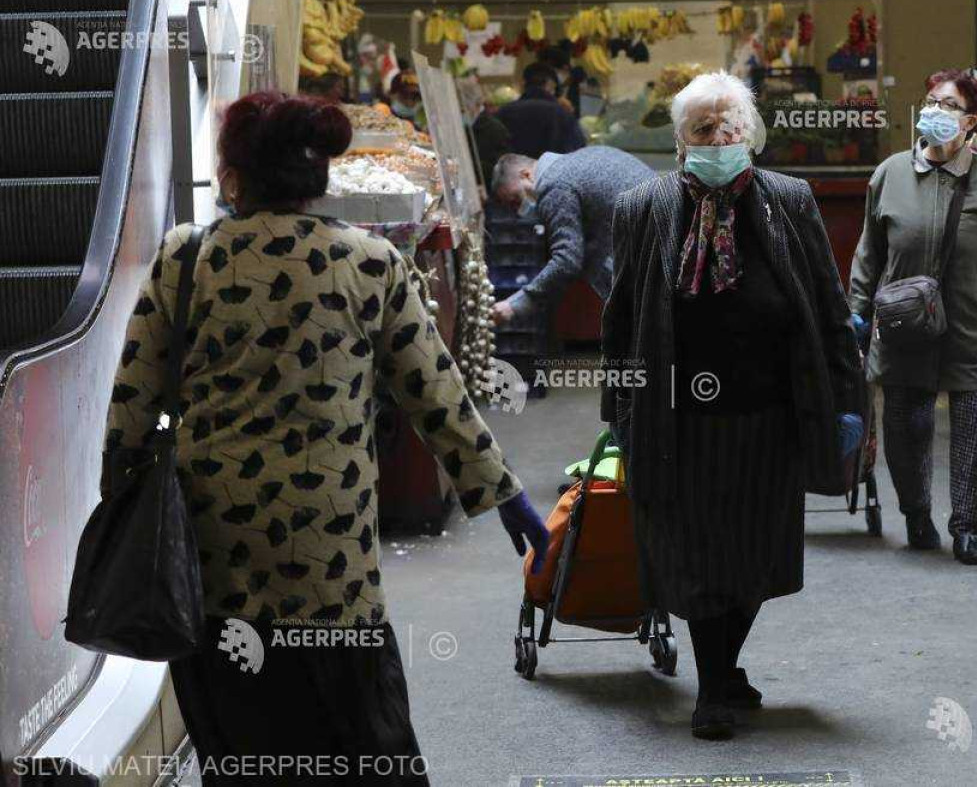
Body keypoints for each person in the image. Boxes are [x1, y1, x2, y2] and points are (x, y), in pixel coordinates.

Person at [101, 92, 549, 785]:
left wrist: (120, 506)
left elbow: (131, 402)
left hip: (212, 560)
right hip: (330, 570)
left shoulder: (187, 259)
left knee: (243, 747)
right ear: (317, 177)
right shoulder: (368, 262)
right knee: (364, 743)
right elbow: (437, 393)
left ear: (234, 174)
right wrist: (503, 492)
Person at [601, 71, 865, 741]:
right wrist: (619, 412)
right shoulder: (643, 207)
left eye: (729, 128)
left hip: (770, 414)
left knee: (756, 553)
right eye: (702, 130)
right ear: (682, 141)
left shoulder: (791, 200)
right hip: (676, 420)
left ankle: (722, 667)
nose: (718, 139)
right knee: (691, 555)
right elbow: (621, 317)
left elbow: (828, 308)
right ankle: (714, 687)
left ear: (751, 135)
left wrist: (845, 399)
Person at [848, 69, 977, 566]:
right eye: (931, 100)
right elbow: (868, 253)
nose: (935, 111)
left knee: (976, 429)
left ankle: (968, 529)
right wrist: (855, 309)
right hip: (903, 328)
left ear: (971, 121)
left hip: (973, 328)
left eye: (949, 105)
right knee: (905, 428)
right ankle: (916, 515)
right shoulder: (890, 174)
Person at [488, 146, 655, 324]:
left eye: (516, 200)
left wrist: (516, 304)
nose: (519, 210)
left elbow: (567, 259)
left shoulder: (553, 185)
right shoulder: (575, 161)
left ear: (526, 175)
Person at [496, 62, 586, 159]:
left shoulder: (503, 112)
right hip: (551, 172)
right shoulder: (561, 114)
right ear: (549, 84)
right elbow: (578, 151)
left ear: (523, 83)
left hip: (512, 171)